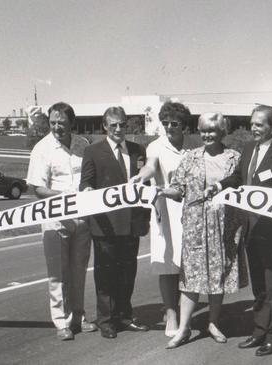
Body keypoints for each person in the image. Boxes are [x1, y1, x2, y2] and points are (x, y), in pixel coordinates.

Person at [205, 105, 272, 357]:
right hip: (251, 229)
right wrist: (220, 185)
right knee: (260, 286)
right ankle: (259, 330)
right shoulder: (248, 149)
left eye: (259, 124)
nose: (253, 128)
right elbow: (238, 178)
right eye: (252, 123)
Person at [161, 112, 243, 349]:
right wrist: (160, 191)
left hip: (224, 225)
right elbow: (178, 190)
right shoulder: (190, 158)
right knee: (191, 277)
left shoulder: (234, 158)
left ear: (222, 132)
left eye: (212, 130)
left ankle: (213, 322)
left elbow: (240, 187)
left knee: (218, 274)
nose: (207, 135)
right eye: (203, 130)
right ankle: (184, 327)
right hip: (195, 225)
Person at [25, 102, 97, 341]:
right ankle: (61, 321)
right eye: (53, 122)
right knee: (58, 273)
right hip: (55, 219)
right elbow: (37, 188)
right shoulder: (42, 148)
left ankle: (79, 316)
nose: (57, 127)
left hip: (82, 218)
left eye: (62, 123)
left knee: (79, 270)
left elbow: (89, 177)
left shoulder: (83, 145)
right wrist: (63, 196)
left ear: (72, 123)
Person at [79, 106, 150, 339]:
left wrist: (145, 218)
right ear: (105, 126)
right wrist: (88, 190)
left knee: (128, 272)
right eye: (113, 125)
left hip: (131, 223)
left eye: (122, 124)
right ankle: (106, 320)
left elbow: (145, 187)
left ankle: (125, 316)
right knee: (106, 274)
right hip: (104, 225)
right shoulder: (93, 151)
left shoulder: (138, 150)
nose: (118, 129)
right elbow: (85, 183)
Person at [129, 101, 191, 337]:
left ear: (184, 125)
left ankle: (184, 311)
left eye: (174, 123)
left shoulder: (192, 147)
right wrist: (140, 177)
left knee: (186, 262)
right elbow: (150, 167)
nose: (169, 127)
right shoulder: (155, 146)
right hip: (164, 207)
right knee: (166, 263)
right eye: (165, 123)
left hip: (188, 208)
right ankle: (171, 312)